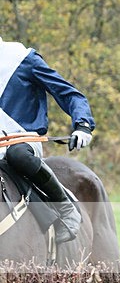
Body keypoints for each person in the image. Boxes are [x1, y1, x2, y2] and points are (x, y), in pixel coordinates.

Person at [0, 37, 95, 242]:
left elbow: (68, 93)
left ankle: (65, 207)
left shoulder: (22, 58)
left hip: (23, 141)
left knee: (17, 155)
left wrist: (83, 124)